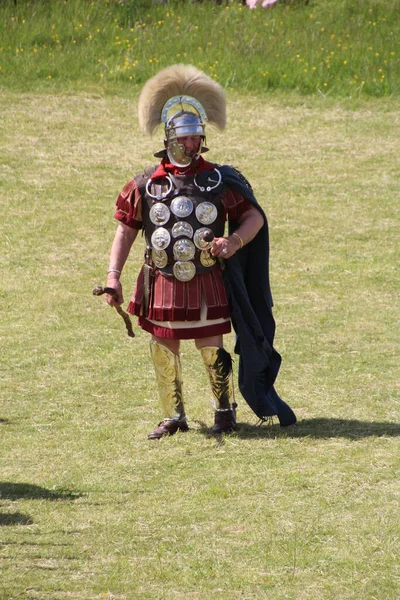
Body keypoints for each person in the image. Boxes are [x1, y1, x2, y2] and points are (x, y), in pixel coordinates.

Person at [105, 64, 297, 439]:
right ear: (170, 138)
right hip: (161, 278)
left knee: (211, 346)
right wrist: (113, 276)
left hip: (207, 277)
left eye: (197, 138)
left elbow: (254, 218)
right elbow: (125, 231)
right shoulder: (145, 183)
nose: (193, 145)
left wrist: (234, 242)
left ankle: (224, 411)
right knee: (163, 346)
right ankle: (173, 415)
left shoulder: (218, 179)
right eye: (186, 139)